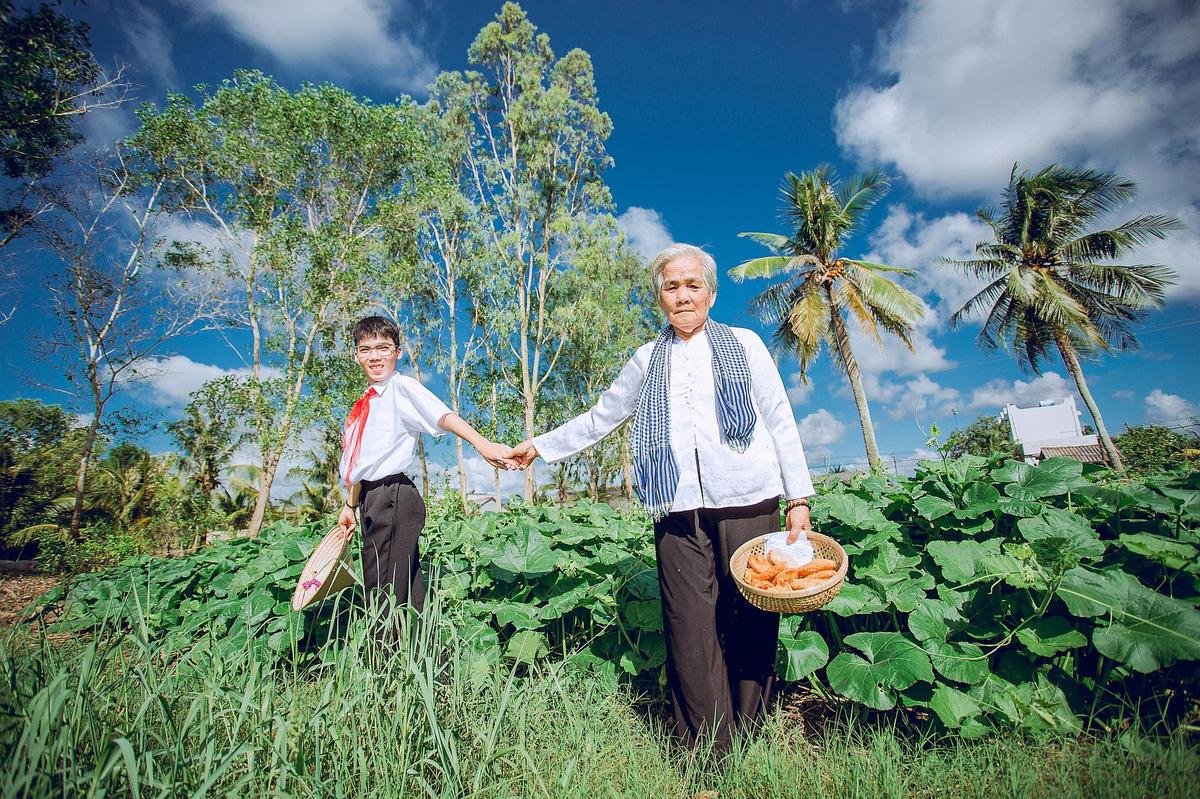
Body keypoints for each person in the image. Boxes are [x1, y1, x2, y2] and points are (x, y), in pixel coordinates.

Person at [510, 243, 815, 754]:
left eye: (692, 284)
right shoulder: (646, 359)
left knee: (751, 618)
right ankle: (708, 752)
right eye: (671, 286)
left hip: (749, 497)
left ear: (711, 294)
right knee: (688, 626)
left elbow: (780, 418)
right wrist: (539, 447)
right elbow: (601, 417)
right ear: (660, 299)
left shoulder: (746, 344)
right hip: (675, 508)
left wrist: (798, 497)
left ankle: (751, 731)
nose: (682, 294)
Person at [338, 315, 515, 625]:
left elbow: (442, 416)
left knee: (382, 590)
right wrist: (350, 505)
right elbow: (359, 465)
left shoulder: (401, 388)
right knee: (405, 589)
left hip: (392, 495)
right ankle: (425, 661)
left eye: (383, 347)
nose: (375, 356)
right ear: (356, 355)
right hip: (370, 498)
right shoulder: (364, 405)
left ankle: (384, 667)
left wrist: (484, 445)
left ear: (398, 351)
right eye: (366, 349)